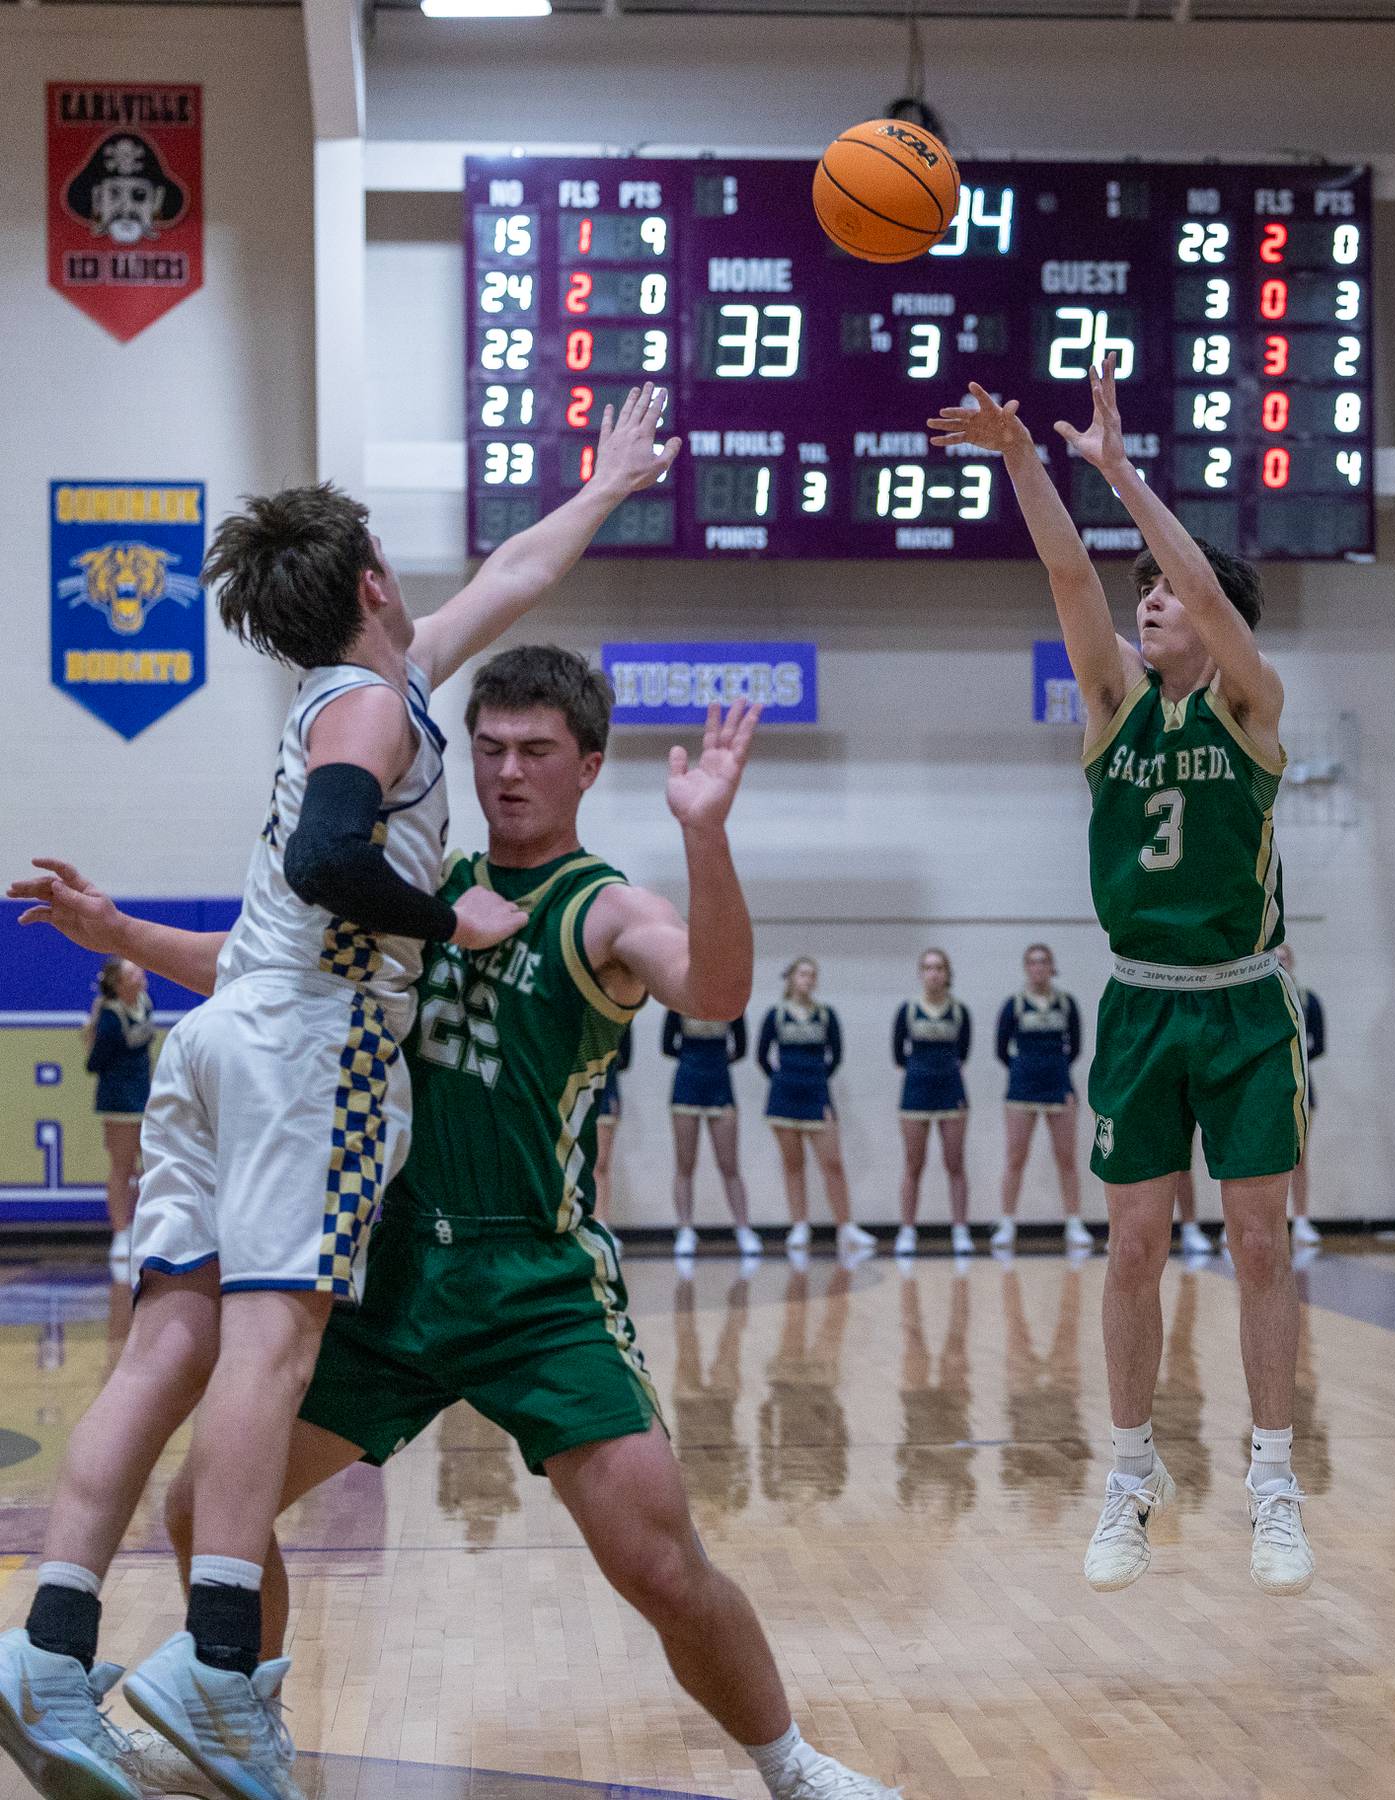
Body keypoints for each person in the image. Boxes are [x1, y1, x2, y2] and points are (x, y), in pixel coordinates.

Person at [41, 654, 897, 1800]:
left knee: (660, 1566)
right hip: (387, 1270)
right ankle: (249, 1728)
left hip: (533, 1283)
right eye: (488, 747)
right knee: (205, 1504)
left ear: (588, 765)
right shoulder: (424, 888)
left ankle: (792, 1768)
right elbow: (260, 969)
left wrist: (705, 834)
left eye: (535, 751)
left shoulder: (604, 908)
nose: (505, 771)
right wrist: (121, 933)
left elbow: (717, 989)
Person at [0, 390, 680, 1800]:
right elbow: (326, 862)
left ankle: (49, 1644)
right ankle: (222, 1662)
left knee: (165, 1349)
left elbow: (514, 574)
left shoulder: (363, 690)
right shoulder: (376, 708)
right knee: (274, 1343)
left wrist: (608, 485)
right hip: (310, 1054)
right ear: (372, 581)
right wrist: (456, 922)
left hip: (222, 1033)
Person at [931, 358, 1313, 1596]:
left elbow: (1198, 577)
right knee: (1133, 1244)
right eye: (1141, 593)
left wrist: (1124, 475)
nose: (1148, 605)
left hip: (1246, 1002)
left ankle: (1269, 1478)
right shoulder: (1112, 708)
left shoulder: (1252, 707)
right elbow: (1063, 575)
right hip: (1142, 1002)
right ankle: (1133, 1473)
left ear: (1215, 618)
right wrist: (1031, 465)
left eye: (1167, 596)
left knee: (1260, 1240)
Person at [756, 959, 875, 1257]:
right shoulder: (775, 1014)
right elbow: (761, 1056)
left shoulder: (826, 1015)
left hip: (817, 1093)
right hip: (783, 1096)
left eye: (812, 975)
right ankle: (799, 1225)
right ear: (791, 978)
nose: (808, 980)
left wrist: (815, 1079)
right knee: (793, 1164)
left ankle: (845, 1225)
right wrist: (783, 1079)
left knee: (832, 1162)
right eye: (803, 974)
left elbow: (836, 1056)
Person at [992, 945, 1092, 1253]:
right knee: (1015, 1157)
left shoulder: (1066, 1004)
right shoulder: (1014, 1005)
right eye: (1033, 963)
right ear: (1026, 968)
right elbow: (1000, 1049)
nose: (1038, 968)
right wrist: (1025, 1069)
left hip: (1059, 1086)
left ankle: (1073, 1222)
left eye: (1044, 962)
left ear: (1052, 967)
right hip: (1021, 1089)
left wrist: (1053, 1069)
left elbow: (1074, 1047)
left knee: (1067, 1158)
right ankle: (1007, 1222)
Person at [892, 947, 974, 1256]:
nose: (934, 972)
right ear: (920, 973)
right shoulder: (908, 1010)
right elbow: (898, 1055)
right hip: (915, 1091)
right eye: (927, 967)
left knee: (955, 1162)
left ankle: (960, 1229)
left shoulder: (959, 1011)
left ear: (947, 973)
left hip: (951, 1089)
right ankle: (908, 1230)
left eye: (939, 967)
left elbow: (963, 1051)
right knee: (914, 1163)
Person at [663, 1009, 762, 1259]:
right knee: (685, 1163)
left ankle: (743, 1228)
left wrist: (714, 1059)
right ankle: (685, 1229)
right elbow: (666, 1045)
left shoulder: (731, 1003)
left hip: (719, 1081)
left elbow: (741, 1048)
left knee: (729, 1164)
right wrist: (692, 1056)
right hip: (687, 1080)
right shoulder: (678, 1003)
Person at [83, 957, 155, 1272]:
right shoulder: (111, 1018)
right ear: (118, 983)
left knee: (152, 1168)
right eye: (133, 971)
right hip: (118, 1102)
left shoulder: (145, 1003)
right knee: (122, 1168)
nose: (142, 972)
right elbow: (93, 1064)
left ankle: (148, 1231)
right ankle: (121, 1234)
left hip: (145, 1098)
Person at [1278, 944, 1324, 1246]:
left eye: (1284, 958)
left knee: (1299, 1158)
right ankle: (1272, 1222)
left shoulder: (1307, 1000)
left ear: (1292, 961)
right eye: (1275, 959)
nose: (1280, 963)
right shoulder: (1262, 999)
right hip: (1267, 1088)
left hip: (1301, 1086)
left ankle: (1302, 1219)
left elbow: (1319, 1045)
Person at [592, 1021, 632, 1234]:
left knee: (600, 1163)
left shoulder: (621, 1011)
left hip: (606, 1086)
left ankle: (600, 1223)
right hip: (573, 1085)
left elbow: (626, 1058)